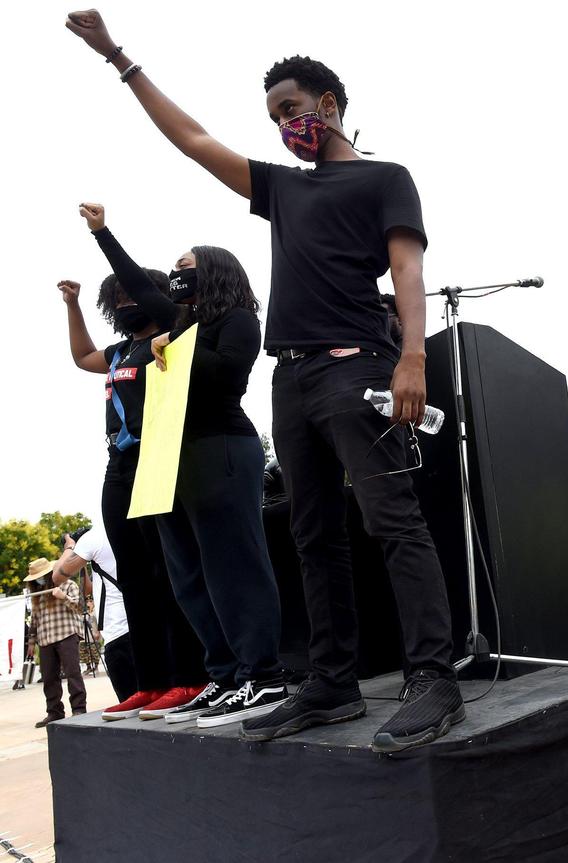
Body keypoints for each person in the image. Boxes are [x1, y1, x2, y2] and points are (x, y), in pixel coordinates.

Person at [66, 12, 462, 751]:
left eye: (291, 109)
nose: (285, 124)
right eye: (274, 116)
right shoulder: (282, 188)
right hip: (292, 379)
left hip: (360, 366)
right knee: (314, 535)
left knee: (392, 519)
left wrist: (413, 358)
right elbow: (194, 141)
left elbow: (407, 268)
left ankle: (432, 676)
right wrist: (118, 57)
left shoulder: (385, 178)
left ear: (330, 104)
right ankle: (333, 683)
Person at [79, 202, 287, 728]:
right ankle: (223, 675)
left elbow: (227, 372)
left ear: (211, 272)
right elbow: (136, 282)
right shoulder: (179, 320)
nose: (173, 278)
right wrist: (104, 233)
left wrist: (180, 347)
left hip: (219, 447)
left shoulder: (236, 320)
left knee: (231, 568)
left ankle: (262, 676)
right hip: (167, 457)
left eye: (185, 268)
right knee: (187, 575)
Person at [56, 270, 208, 721]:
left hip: (157, 457)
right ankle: (151, 683)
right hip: (117, 466)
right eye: (116, 298)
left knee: (168, 572)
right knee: (136, 579)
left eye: (131, 294)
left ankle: (191, 677)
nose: (125, 304)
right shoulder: (120, 351)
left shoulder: (173, 339)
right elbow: (83, 355)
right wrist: (72, 305)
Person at [53, 526, 136, 702]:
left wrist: (70, 546)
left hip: (118, 633)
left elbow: (57, 576)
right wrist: (84, 563)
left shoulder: (93, 538)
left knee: (132, 705)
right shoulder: (119, 533)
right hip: (135, 622)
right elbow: (88, 589)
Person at [25, 558, 87, 727]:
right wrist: (31, 641)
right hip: (45, 639)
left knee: (72, 673)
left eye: (42, 576)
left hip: (66, 633)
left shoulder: (68, 585)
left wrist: (63, 597)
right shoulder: (37, 594)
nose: (40, 580)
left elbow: (82, 608)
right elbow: (35, 619)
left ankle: (79, 709)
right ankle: (54, 712)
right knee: (49, 677)